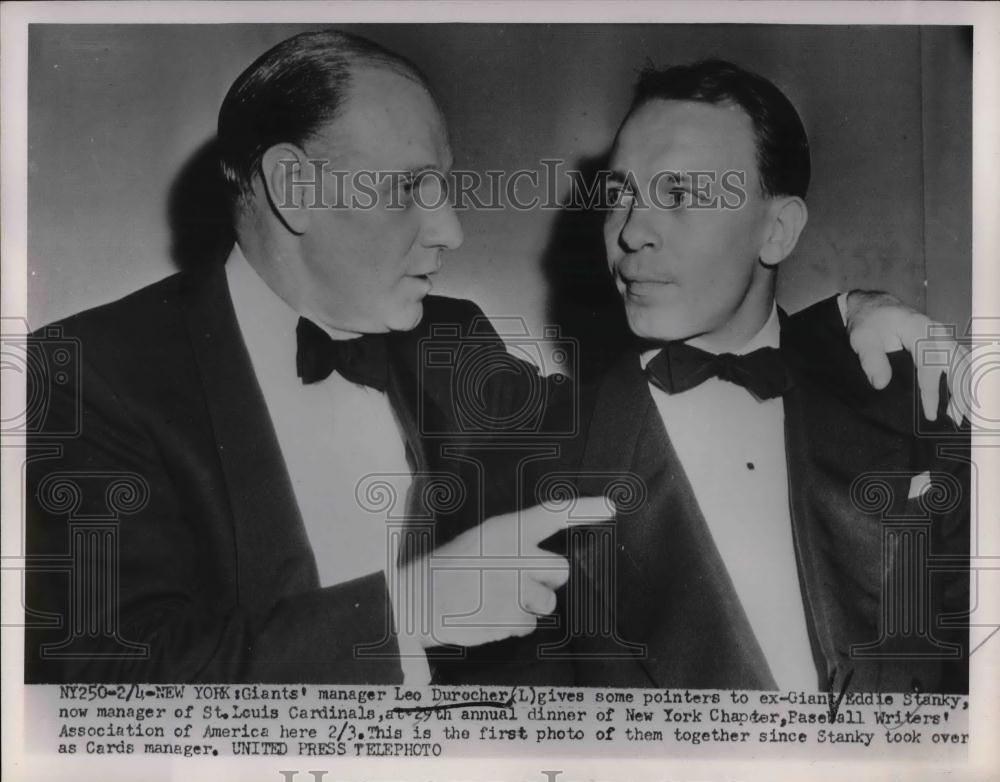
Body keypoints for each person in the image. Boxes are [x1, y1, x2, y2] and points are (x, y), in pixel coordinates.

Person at [23, 32, 959, 685]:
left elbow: (669, 401)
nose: (453, 228)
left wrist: (842, 318)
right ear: (292, 187)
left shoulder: (451, 340)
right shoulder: (87, 372)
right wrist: (412, 611)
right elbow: (93, 679)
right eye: (414, 190)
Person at [446, 60, 968, 693]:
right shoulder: (529, 462)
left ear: (776, 230)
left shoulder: (905, 397)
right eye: (619, 195)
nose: (632, 232)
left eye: (681, 195)